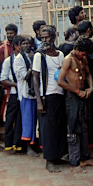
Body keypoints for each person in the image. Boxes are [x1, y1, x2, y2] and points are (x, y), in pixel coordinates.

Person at [58, 37, 93, 173]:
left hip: (83, 94)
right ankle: (74, 162)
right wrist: (76, 91)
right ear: (76, 49)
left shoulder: (83, 58)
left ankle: (84, 158)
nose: (83, 56)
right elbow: (60, 81)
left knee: (84, 125)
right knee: (73, 127)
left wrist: (90, 88)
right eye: (82, 53)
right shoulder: (68, 59)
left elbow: (88, 74)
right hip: (73, 96)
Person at [33, 25, 67, 172]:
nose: (45, 40)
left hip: (60, 94)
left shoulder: (60, 54)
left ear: (53, 38)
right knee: (48, 129)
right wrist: (39, 101)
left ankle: (57, 155)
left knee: (59, 127)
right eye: (42, 38)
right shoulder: (39, 56)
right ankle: (49, 160)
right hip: (47, 96)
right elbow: (35, 79)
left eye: (47, 37)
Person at [13, 36, 39, 156]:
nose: (26, 46)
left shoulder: (34, 55)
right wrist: (33, 65)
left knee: (35, 121)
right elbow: (24, 75)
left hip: (35, 94)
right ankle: (28, 147)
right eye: (24, 43)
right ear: (20, 45)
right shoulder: (19, 58)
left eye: (28, 43)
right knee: (28, 121)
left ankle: (34, 144)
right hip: (26, 93)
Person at [1, 36, 22, 153]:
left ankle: (18, 144)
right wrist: (17, 85)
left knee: (20, 120)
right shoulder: (9, 61)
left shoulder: (26, 59)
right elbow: (3, 79)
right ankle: (8, 143)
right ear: (15, 46)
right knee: (10, 119)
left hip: (24, 94)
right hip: (14, 94)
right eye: (20, 45)